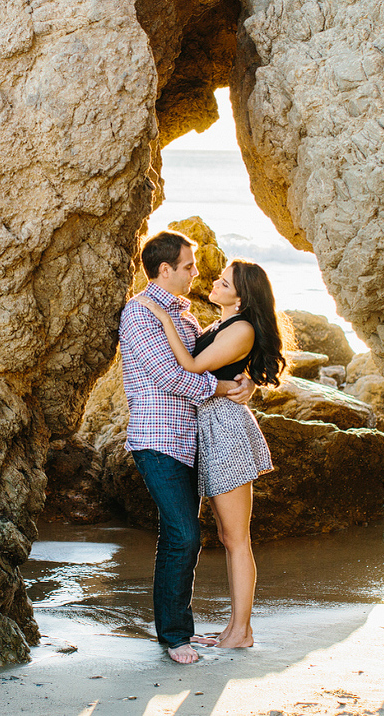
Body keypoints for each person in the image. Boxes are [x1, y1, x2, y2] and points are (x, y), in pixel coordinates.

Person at [132, 257, 284, 650]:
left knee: (236, 539)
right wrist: (246, 379)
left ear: (241, 294)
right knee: (227, 535)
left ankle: (242, 632)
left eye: (223, 281)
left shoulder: (242, 327)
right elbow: (217, 370)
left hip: (227, 431)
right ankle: (235, 628)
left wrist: (163, 318)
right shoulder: (219, 325)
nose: (212, 282)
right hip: (210, 430)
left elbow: (193, 364)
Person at [120, 230, 254, 664]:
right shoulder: (140, 313)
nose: (197, 272)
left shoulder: (186, 316)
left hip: (191, 441)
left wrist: (242, 381)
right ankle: (174, 637)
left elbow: (217, 356)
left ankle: (181, 628)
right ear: (165, 270)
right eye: (189, 266)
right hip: (156, 438)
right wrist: (222, 386)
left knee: (180, 536)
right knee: (183, 533)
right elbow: (171, 376)